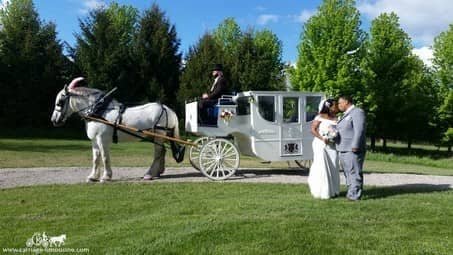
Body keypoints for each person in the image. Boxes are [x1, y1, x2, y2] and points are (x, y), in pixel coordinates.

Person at [307, 99, 340, 199]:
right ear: (329, 107)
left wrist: (334, 137)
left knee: (333, 165)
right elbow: (312, 130)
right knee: (323, 166)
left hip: (332, 145)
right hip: (321, 144)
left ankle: (333, 190)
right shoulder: (319, 117)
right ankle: (323, 191)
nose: (337, 107)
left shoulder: (337, 117)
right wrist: (322, 138)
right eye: (335, 105)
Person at [336, 95, 366, 201]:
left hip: (352, 148)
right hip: (343, 147)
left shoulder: (357, 112)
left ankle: (355, 195)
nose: (338, 105)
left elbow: (359, 130)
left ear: (346, 102)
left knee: (354, 171)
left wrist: (355, 145)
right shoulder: (345, 115)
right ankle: (351, 192)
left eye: (340, 103)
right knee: (348, 172)